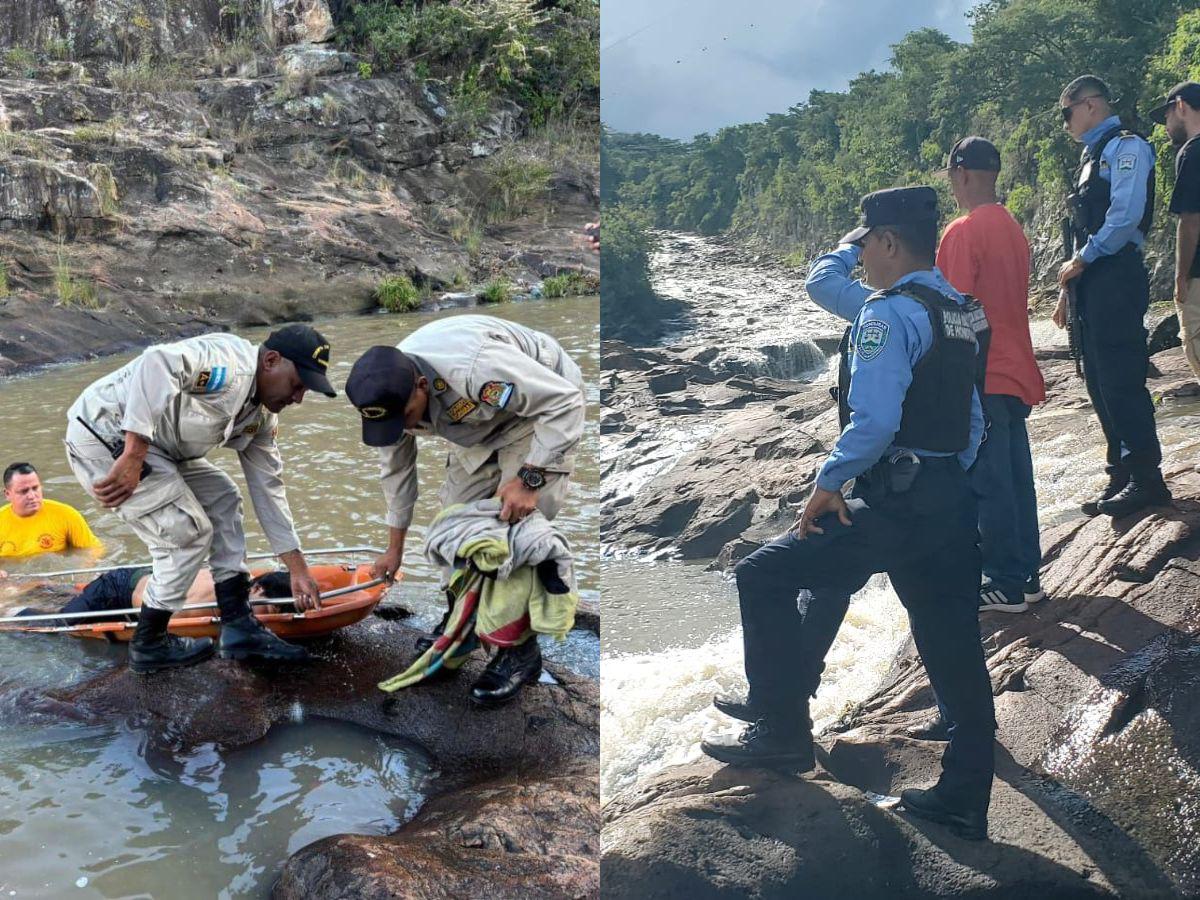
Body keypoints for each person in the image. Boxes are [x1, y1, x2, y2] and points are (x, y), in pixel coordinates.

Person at [702, 187, 996, 842]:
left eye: (864, 243)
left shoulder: (887, 315)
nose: (861, 257)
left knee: (763, 574)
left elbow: (876, 419)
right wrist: (948, 474)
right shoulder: (962, 311)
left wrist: (828, 481)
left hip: (894, 501)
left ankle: (780, 730)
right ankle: (965, 796)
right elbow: (975, 418)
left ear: (888, 242)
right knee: (952, 643)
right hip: (949, 498)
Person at [63, 325, 336, 675]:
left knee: (224, 498)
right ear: (270, 361)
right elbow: (156, 362)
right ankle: (150, 644)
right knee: (187, 533)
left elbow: (269, 490)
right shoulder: (227, 367)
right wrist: (133, 454)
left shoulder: (262, 417)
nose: (298, 398)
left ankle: (238, 624)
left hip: (160, 450)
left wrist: (298, 568)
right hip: (107, 434)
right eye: (298, 385)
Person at [345, 313, 585, 706]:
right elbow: (397, 473)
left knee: (512, 535)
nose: (401, 429)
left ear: (422, 386)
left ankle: (519, 653)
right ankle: (463, 625)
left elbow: (563, 403)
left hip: (540, 413)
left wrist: (529, 480)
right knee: (452, 529)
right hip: (475, 428)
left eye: (405, 418)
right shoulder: (387, 402)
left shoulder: (475, 369)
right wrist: (394, 548)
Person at [937, 137, 1046, 614]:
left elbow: (949, 309)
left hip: (981, 372)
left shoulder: (962, 231)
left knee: (989, 483)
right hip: (1015, 367)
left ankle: (1003, 580)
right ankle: (1026, 577)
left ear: (959, 175)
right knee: (1017, 478)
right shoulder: (1011, 226)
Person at [1054, 75, 1170, 517]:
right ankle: (1120, 472)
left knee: (1120, 378)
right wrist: (1070, 286)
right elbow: (1081, 228)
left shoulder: (1127, 147)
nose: (1065, 124)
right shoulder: (1092, 156)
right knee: (1099, 380)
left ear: (1090, 105)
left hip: (1115, 272)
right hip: (1091, 279)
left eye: (1067, 113)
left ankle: (1147, 477)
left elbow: (1124, 217)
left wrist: (1082, 260)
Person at [0, 567, 293, 624]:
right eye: (269, 610)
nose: (264, 619)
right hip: (118, 590)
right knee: (60, 627)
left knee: (75, 601)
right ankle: (8, 612)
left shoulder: (240, 576)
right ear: (256, 589)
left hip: (136, 585)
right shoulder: (222, 600)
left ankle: (36, 587)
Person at [1150, 81, 1200, 383]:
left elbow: (1191, 220)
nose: (1167, 127)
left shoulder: (1191, 153)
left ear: (1180, 106)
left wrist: (1180, 278)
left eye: (1167, 117)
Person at [0, 462, 102, 558]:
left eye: (35, 488)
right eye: (24, 491)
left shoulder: (66, 515)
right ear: (7, 494)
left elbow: (94, 549)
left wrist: (83, 572)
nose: (32, 496)